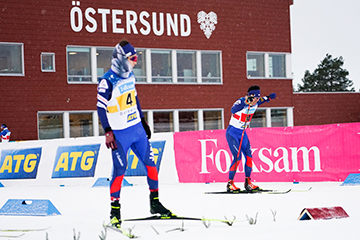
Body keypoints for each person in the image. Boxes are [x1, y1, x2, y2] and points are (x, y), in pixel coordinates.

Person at [97, 40, 172, 228]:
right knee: (120, 171)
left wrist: (143, 120)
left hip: (137, 130)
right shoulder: (107, 81)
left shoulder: (130, 76)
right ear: (121, 59)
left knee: (152, 166)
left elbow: (135, 99)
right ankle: (115, 211)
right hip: (120, 135)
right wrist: (107, 131)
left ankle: (155, 203)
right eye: (133, 58)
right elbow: (100, 107)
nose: (136, 62)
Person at [226, 85, 276, 192]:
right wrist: (245, 102)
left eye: (258, 98)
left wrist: (269, 98)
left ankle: (248, 182)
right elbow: (233, 110)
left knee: (249, 157)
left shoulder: (257, 101)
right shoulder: (241, 101)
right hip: (233, 133)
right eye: (255, 98)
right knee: (237, 157)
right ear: (250, 97)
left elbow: (263, 100)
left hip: (243, 133)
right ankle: (230, 184)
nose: (257, 101)